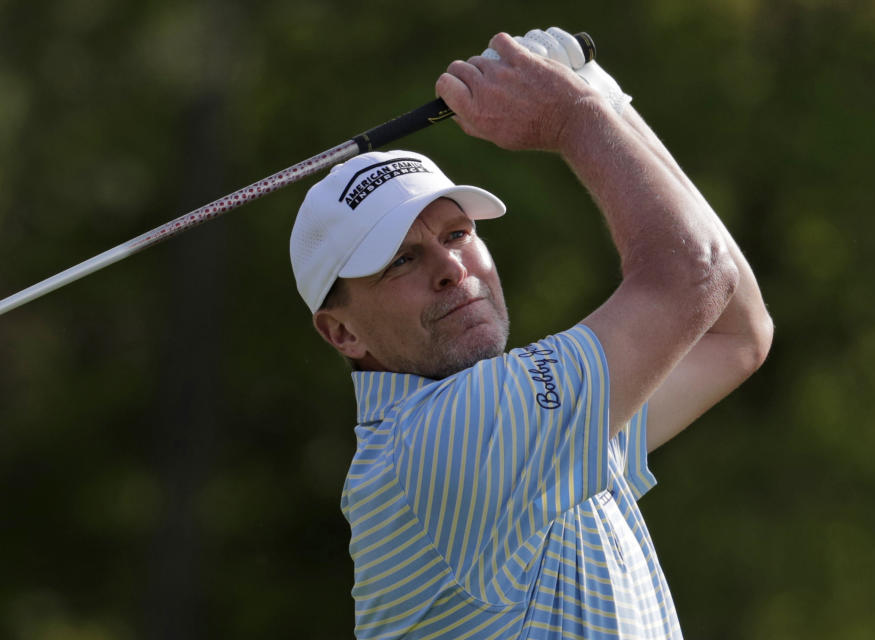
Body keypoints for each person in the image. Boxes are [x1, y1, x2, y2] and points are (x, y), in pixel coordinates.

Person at [289, 27, 773, 640]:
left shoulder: (531, 432)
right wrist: (575, 117)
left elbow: (732, 334)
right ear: (341, 333)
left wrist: (601, 98)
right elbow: (693, 276)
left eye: (457, 234)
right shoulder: (437, 441)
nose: (450, 268)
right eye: (400, 262)